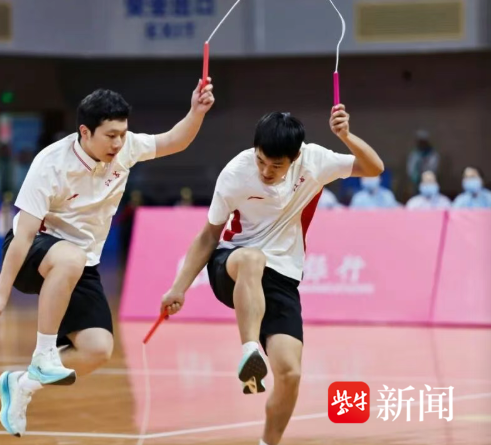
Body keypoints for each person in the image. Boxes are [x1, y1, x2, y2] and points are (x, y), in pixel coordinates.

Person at [0, 80, 215, 437]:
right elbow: (23, 234)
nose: (118, 143)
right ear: (85, 132)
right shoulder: (50, 164)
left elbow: (173, 140)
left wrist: (196, 111)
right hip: (34, 253)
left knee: (97, 349)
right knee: (70, 258)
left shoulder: (126, 148)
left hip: (80, 263)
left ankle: (21, 384)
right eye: (111, 136)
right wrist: (0, 293)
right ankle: (43, 354)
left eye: (123, 134)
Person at [160, 105, 384, 445]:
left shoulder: (315, 161)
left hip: (282, 277)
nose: (266, 171)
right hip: (232, 265)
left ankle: (268, 443)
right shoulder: (236, 173)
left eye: (276, 165)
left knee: (290, 373)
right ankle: (249, 350)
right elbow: (208, 236)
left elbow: (373, 167)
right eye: (261, 160)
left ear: (295, 158)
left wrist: (346, 136)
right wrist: (179, 288)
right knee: (252, 259)